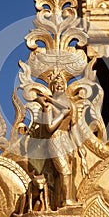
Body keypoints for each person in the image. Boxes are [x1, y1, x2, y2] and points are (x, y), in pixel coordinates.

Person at [38, 71, 78, 207]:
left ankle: (65, 198)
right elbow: (49, 128)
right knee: (64, 170)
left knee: (69, 172)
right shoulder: (48, 106)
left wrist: (78, 146)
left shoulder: (71, 104)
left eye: (62, 84)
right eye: (56, 84)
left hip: (66, 139)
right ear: (52, 87)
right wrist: (61, 114)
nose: (59, 86)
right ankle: (65, 201)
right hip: (55, 139)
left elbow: (74, 126)